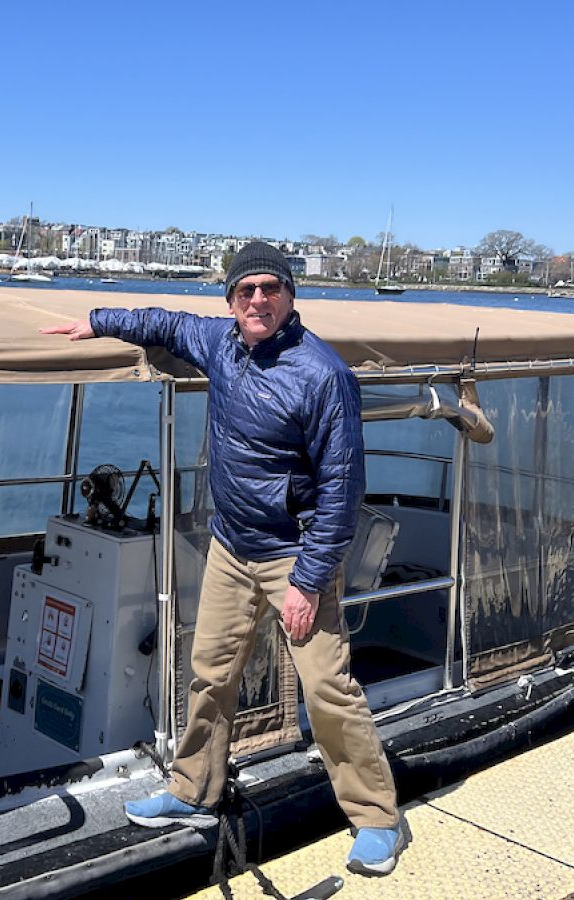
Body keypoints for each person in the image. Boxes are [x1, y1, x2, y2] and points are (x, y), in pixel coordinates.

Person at [40, 242, 405, 876]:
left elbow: (342, 491)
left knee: (327, 688)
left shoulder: (324, 376)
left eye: (270, 288)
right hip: (232, 547)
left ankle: (378, 818)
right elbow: (166, 324)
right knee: (209, 673)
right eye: (245, 291)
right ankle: (191, 791)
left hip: (296, 556)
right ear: (230, 301)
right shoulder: (221, 344)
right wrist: (98, 320)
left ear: (291, 295)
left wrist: (309, 581)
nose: (258, 300)